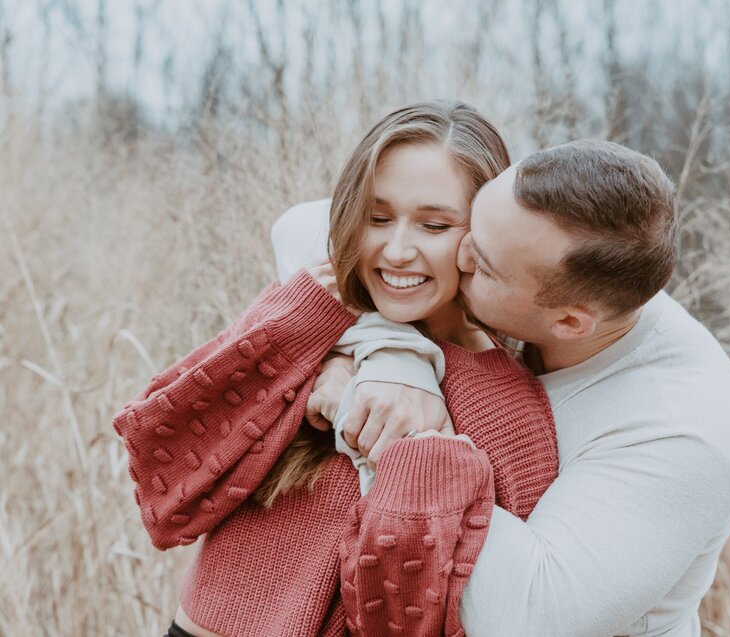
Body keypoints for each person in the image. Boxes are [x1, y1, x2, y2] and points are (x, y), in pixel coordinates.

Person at [112, 100, 559, 637]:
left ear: (479, 237)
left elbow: (430, 618)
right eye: (377, 217)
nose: (396, 250)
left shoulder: (507, 406)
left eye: (434, 225)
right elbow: (166, 489)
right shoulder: (311, 308)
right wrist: (318, 334)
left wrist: (405, 446)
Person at [279, 140, 730, 635]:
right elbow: (298, 228)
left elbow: (522, 616)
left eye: (481, 264)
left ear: (570, 322)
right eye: (464, 224)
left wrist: (383, 419)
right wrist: (392, 357)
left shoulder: (682, 435)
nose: (455, 253)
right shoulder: (523, 243)